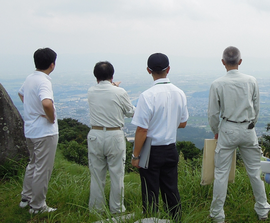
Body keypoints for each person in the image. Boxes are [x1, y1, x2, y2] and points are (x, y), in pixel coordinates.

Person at [208, 46, 270, 222]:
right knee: (254, 171)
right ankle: (262, 210)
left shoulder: (217, 83)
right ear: (240, 61)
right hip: (248, 129)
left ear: (223, 62)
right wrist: (251, 124)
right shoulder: (251, 81)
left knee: (221, 173)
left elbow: (213, 114)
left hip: (227, 128)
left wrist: (216, 131)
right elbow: (256, 107)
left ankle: (217, 215)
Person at [131, 53, 189, 222]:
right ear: (168, 69)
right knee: (171, 190)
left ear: (149, 70)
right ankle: (176, 219)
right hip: (171, 149)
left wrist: (136, 156)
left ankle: (150, 219)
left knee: (150, 192)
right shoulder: (180, 93)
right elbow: (183, 123)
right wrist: (168, 124)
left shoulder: (147, 95)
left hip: (151, 150)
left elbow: (142, 129)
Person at [87, 61, 135, 214]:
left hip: (95, 134)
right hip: (114, 135)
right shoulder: (120, 92)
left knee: (96, 174)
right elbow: (130, 112)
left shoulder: (91, 91)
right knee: (117, 173)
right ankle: (117, 209)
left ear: (96, 77)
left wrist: (113, 86)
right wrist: (116, 87)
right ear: (112, 75)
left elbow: (104, 91)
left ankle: (96, 209)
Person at [18, 48, 58, 214]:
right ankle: (37, 206)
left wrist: (32, 109)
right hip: (44, 132)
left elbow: (21, 94)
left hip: (31, 130)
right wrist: (50, 117)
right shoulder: (44, 81)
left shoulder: (30, 78)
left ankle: (26, 197)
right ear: (52, 64)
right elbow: (47, 103)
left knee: (33, 163)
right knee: (43, 168)